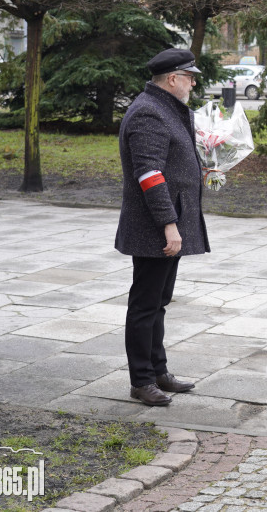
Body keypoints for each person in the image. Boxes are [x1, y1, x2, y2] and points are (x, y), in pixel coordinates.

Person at [115, 48, 210, 407]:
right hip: (155, 226)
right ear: (173, 79)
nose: (193, 82)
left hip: (169, 221)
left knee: (159, 302)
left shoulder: (166, 108)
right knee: (144, 304)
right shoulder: (149, 113)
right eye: (190, 76)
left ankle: (158, 371)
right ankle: (141, 381)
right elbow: (149, 175)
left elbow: (170, 164)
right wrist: (170, 226)